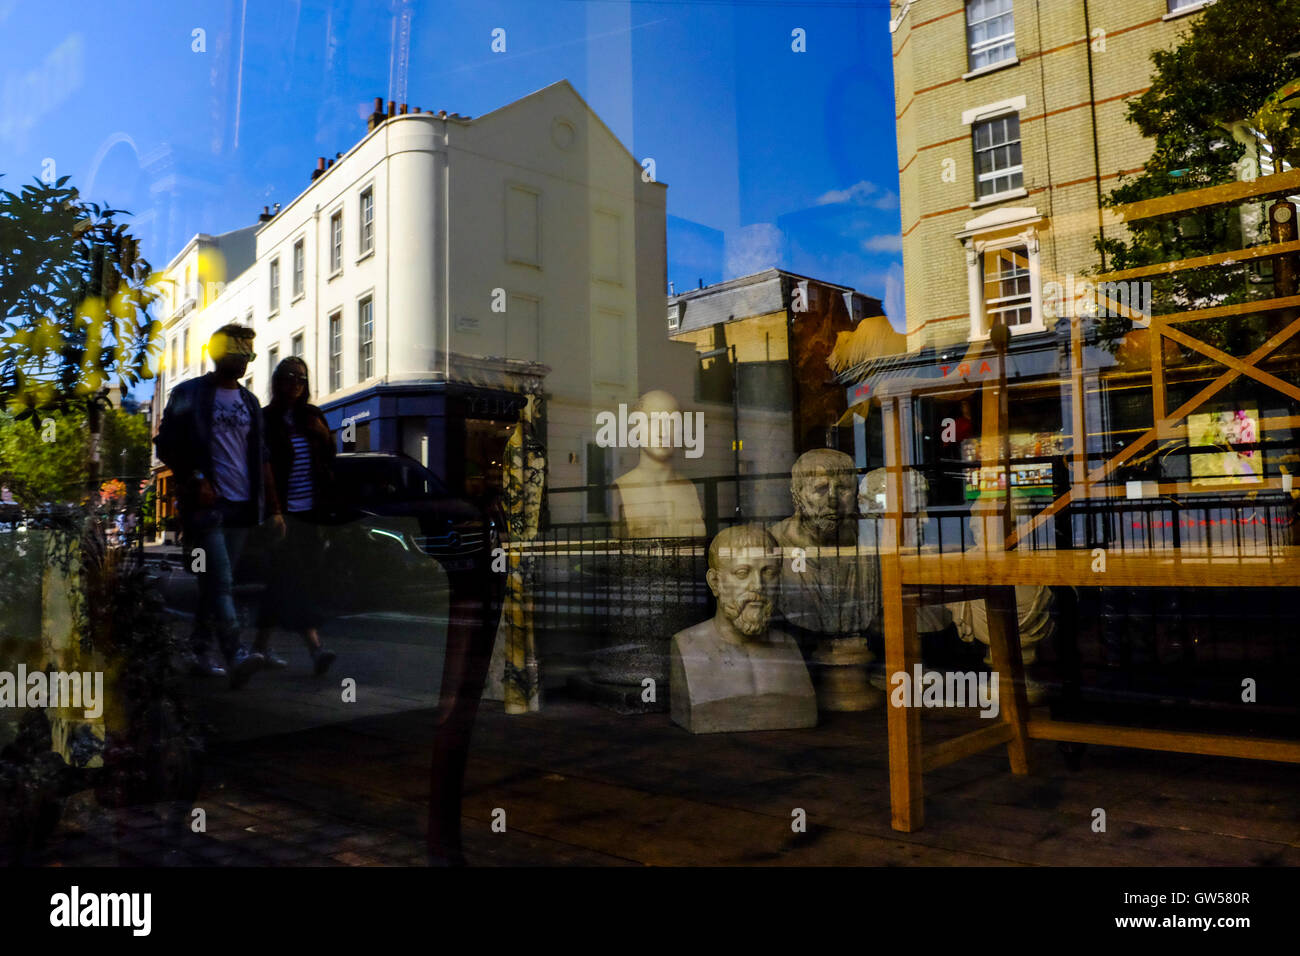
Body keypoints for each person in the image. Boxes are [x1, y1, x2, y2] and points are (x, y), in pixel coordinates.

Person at [154, 324, 285, 689]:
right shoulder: (188, 394)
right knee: (222, 581)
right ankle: (235, 653)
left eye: (249, 355)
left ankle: (197, 652)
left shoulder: (249, 403)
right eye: (239, 353)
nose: (245, 361)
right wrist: (196, 476)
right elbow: (165, 444)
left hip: (243, 507)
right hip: (206, 508)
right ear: (218, 353)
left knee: (214, 584)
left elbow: (262, 458)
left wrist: (273, 508)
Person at [254, 356, 337, 674]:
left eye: (301, 378)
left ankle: (259, 650)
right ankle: (316, 650)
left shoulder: (314, 417)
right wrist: (272, 511)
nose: (295, 383)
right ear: (277, 381)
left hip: (311, 513)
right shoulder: (265, 419)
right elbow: (262, 469)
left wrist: (323, 436)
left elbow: (330, 461)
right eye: (289, 377)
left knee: (284, 582)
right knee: (291, 579)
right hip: (282, 515)